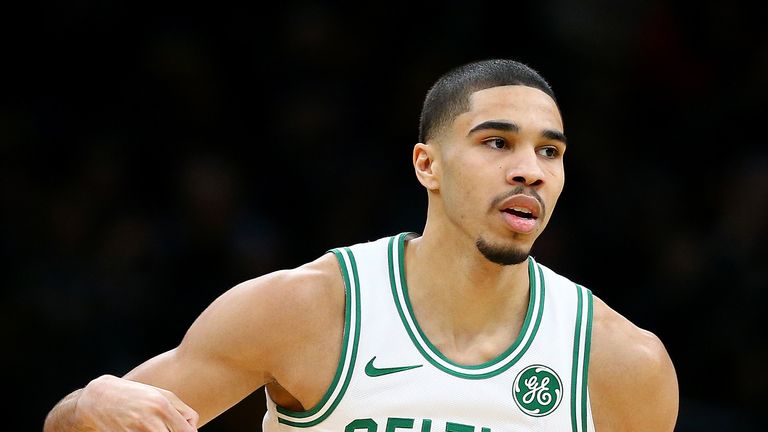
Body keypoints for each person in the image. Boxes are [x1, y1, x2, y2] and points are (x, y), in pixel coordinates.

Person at [43, 59, 679, 432]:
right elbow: (98, 424)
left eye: (550, 151)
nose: (530, 170)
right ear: (427, 165)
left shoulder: (623, 364)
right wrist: (82, 407)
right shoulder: (307, 310)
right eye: (496, 142)